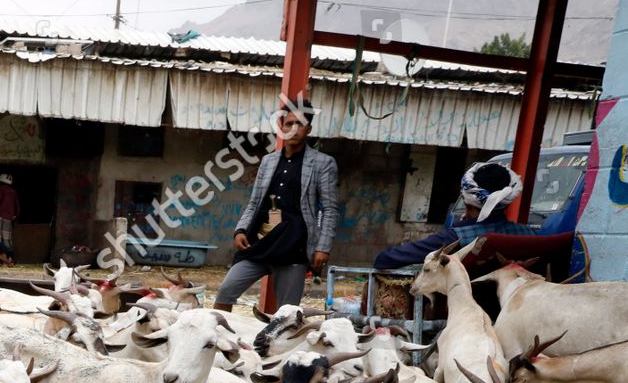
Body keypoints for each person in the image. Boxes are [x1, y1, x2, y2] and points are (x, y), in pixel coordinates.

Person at [212, 98, 339, 312]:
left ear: (308, 128)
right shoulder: (268, 161)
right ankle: (220, 339)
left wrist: (322, 247)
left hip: (294, 246)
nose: (293, 129)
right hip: (260, 239)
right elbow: (254, 201)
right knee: (226, 291)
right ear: (281, 127)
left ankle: (279, 345)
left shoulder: (323, 163)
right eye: (288, 124)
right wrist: (241, 229)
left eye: (299, 124)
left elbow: (329, 209)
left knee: (286, 312)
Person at [373, 161, 532, 270]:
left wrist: (459, 227)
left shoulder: (456, 237)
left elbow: (385, 259)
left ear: (467, 201)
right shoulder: (529, 234)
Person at [0, 173, 19, 249]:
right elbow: (17, 205)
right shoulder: (13, 192)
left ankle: (1, 256)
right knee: (7, 238)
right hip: (9, 218)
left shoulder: (0, 188)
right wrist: (15, 216)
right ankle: (8, 256)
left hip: (0, 216)